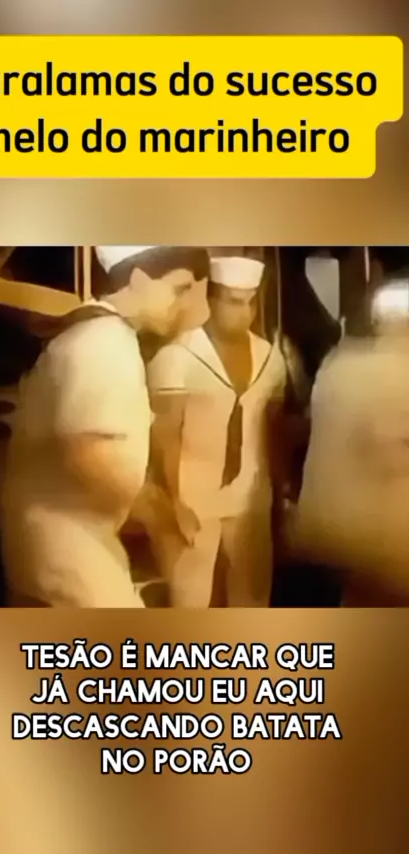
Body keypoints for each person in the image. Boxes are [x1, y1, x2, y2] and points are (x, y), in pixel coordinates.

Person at [0, 245, 208, 607]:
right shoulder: (105, 342)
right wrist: (160, 520)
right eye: (180, 288)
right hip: (70, 552)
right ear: (139, 279)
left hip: (53, 551)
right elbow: (88, 453)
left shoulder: (96, 334)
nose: (185, 305)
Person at [146, 255, 288, 608]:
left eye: (251, 303)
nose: (245, 312)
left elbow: (273, 429)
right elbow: (164, 436)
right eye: (234, 302)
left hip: (250, 501)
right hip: (192, 499)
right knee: (190, 601)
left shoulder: (270, 357)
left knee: (252, 602)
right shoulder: (177, 356)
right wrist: (174, 502)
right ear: (212, 299)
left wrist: (279, 495)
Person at [294, 271, 409, 605]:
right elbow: (391, 451)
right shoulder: (398, 371)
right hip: (381, 534)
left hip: (328, 529)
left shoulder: (338, 361)